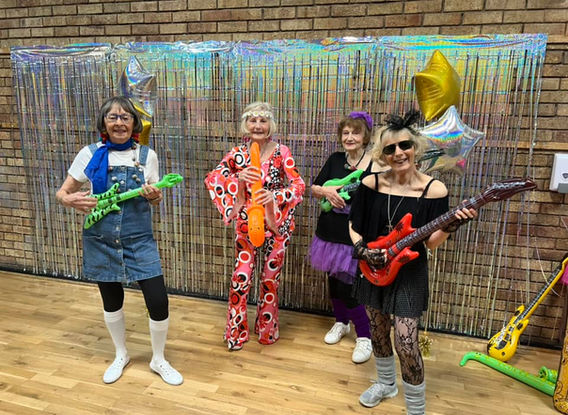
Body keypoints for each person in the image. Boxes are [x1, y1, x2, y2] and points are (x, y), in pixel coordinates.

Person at [348, 109, 477, 415]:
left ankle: (416, 410)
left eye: (404, 145)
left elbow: (430, 242)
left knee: (406, 342)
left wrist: (451, 226)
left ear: (415, 148)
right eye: (390, 148)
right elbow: (354, 225)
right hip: (373, 267)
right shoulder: (371, 184)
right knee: (378, 331)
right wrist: (363, 250)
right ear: (382, 154)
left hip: (409, 272)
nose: (398, 153)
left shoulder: (435, 190)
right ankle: (386, 384)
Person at [55, 96, 183, 386]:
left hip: (139, 239)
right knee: (112, 301)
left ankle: (158, 359)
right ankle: (120, 354)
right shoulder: (89, 154)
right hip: (100, 238)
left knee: (158, 300)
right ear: (104, 122)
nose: (119, 122)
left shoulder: (147, 156)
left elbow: (155, 197)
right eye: (112, 117)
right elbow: (63, 192)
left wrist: (155, 196)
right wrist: (67, 199)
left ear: (134, 123)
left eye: (125, 117)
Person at [204, 102, 305, 351]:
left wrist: (275, 196)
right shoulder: (238, 153)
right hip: (246, 224)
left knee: (270, 280)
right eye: (253, 120)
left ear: (271, 124)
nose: (258, 125)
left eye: (263, 120)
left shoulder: (282, 152)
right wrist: (236, 178)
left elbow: (298, 185)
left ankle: (266, 331)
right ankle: (236, 333)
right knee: (241, 278)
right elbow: (213, 177)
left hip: (276, 225)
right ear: (245, 124)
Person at [309, 111, 384, 364]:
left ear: (366, 137)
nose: (350, 137)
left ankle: (365, 336)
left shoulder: (376, 164)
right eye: (346, 133)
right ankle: (341, 322)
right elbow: (314, 188)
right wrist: (327, 192)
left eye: (356, 132)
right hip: (329, 229)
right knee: (333, 282)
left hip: (356, 232)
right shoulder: (335, 159)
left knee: (351, 287)